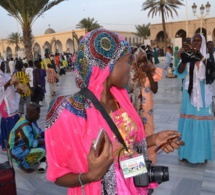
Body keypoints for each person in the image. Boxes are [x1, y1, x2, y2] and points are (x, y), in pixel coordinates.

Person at [45, 28, 184, 195]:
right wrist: (89, 176)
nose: (130, 68)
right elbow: (57, 174)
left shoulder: (122, 101)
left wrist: (155, 139)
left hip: (132, 188)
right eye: (127, 61)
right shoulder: (69, 110)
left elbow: (126, 153)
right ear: (107, 65)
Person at [175, 33, 214, 164]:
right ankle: (186, 153)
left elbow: (211, 71)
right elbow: (180, 71)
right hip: (189, 94)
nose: (196, 43)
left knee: (203, 122)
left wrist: (200, 56)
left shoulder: (208, 56)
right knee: (188, 122)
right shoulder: (188, 55)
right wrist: (184, 59)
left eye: (199, 41)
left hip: (204, 95)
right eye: (194, 41)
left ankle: (202, 155)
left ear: (202, 43)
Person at [129, 48, 163, 164]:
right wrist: (137, 76)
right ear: (136, 62)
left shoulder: (152, 71)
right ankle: (137, 160)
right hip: (134, 109)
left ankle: (150, 159)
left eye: (144, 60)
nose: (142, 64)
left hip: (147, 110)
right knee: (135, 134)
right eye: (140, 61)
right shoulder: (131, 73)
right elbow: (130, 89)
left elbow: (155, 89)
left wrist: (148, 72)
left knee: (148, 132)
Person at [8, 103, 46, 173]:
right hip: (17, 152)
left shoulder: (27, 120)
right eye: (37, 114)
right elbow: (32, 143)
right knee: (44, 149)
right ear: (31, 114)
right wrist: (47, 141)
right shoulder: (25, 127)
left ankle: (39, 159)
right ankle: (26, 163)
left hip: (20, 146)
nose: (39, 116)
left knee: (44, 141)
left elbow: (38, 133)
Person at [0, 59, 20, 151]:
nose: (5, 66)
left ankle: (16, 141)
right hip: (5, 102)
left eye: (5, 64)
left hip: (12, 101)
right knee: (8, 118)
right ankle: (9, 142)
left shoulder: (6, 75)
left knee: (15, 117)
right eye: (2, 65)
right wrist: (9, 83)